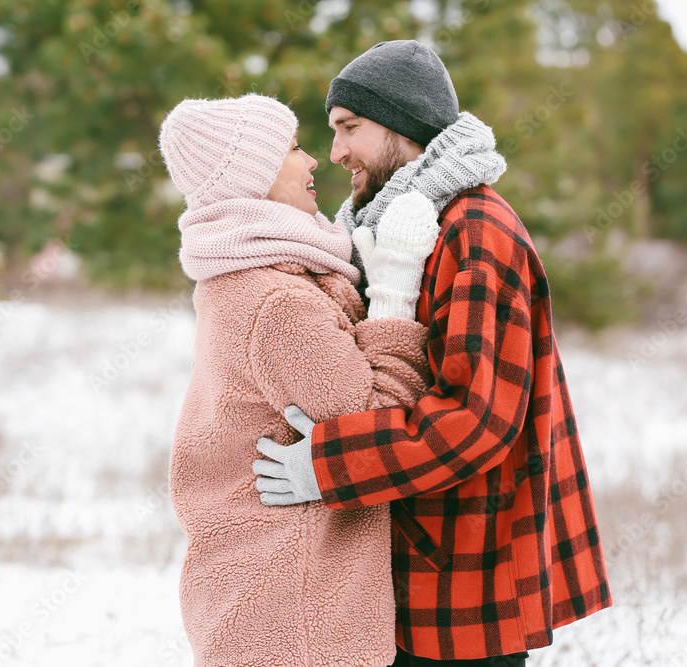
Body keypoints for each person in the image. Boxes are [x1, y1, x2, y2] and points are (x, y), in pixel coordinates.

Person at [253, 41, 612, 666]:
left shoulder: (476, 234)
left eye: (349, 128)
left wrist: (332, 466)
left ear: (401, 126)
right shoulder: (401, 224)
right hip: (412, 559)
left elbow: (478, 419)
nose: (335, 151)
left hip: (466, 573)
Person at [160, 93, 444, 667]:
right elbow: (376, 424)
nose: (314, 160)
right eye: (292, 149)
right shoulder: (280, 300)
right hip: (295, 603)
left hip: (259, 586)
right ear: (254, 177)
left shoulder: (237, 274)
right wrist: (391, 300)